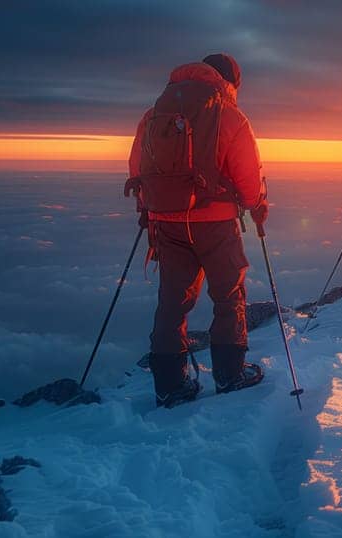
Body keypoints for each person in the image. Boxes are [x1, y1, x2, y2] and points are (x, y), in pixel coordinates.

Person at [126, 53, 266, 408]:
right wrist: (257, 203)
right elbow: (248, 176)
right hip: (215, 222)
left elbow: (137, 166)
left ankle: (170, 385)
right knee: (228, 295)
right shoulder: (229, 114)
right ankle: (230, 375)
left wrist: (148, 209)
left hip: (166, 222)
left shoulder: (153, 114)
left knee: (172, 301)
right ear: (229, 81)